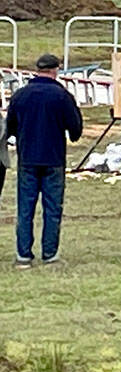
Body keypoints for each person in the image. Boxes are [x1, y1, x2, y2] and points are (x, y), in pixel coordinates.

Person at [2, 54, 83, 267]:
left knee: (25, 208)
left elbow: (9, 127)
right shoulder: (62, 96)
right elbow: (76, 130)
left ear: (37, 70)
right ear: (55, 70)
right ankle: (49, 254)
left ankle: (23, 255)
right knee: (52, 208)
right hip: (54, 158)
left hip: (27, 158)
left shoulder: (20, 95)